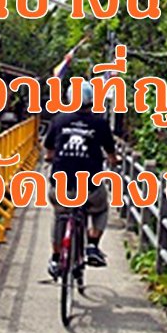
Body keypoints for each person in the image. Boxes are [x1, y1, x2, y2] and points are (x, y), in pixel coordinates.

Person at [44, 79, 117, 277]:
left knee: (60, 215)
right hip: (90, 188)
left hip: (61, 187)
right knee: (101, 209)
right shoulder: (100, 123)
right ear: (91, 100)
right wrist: (113, 161)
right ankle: (92, 245)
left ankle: (56, 258)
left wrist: (51, 157)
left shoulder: (58, 120)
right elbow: (111, 154)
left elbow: (49, 150)